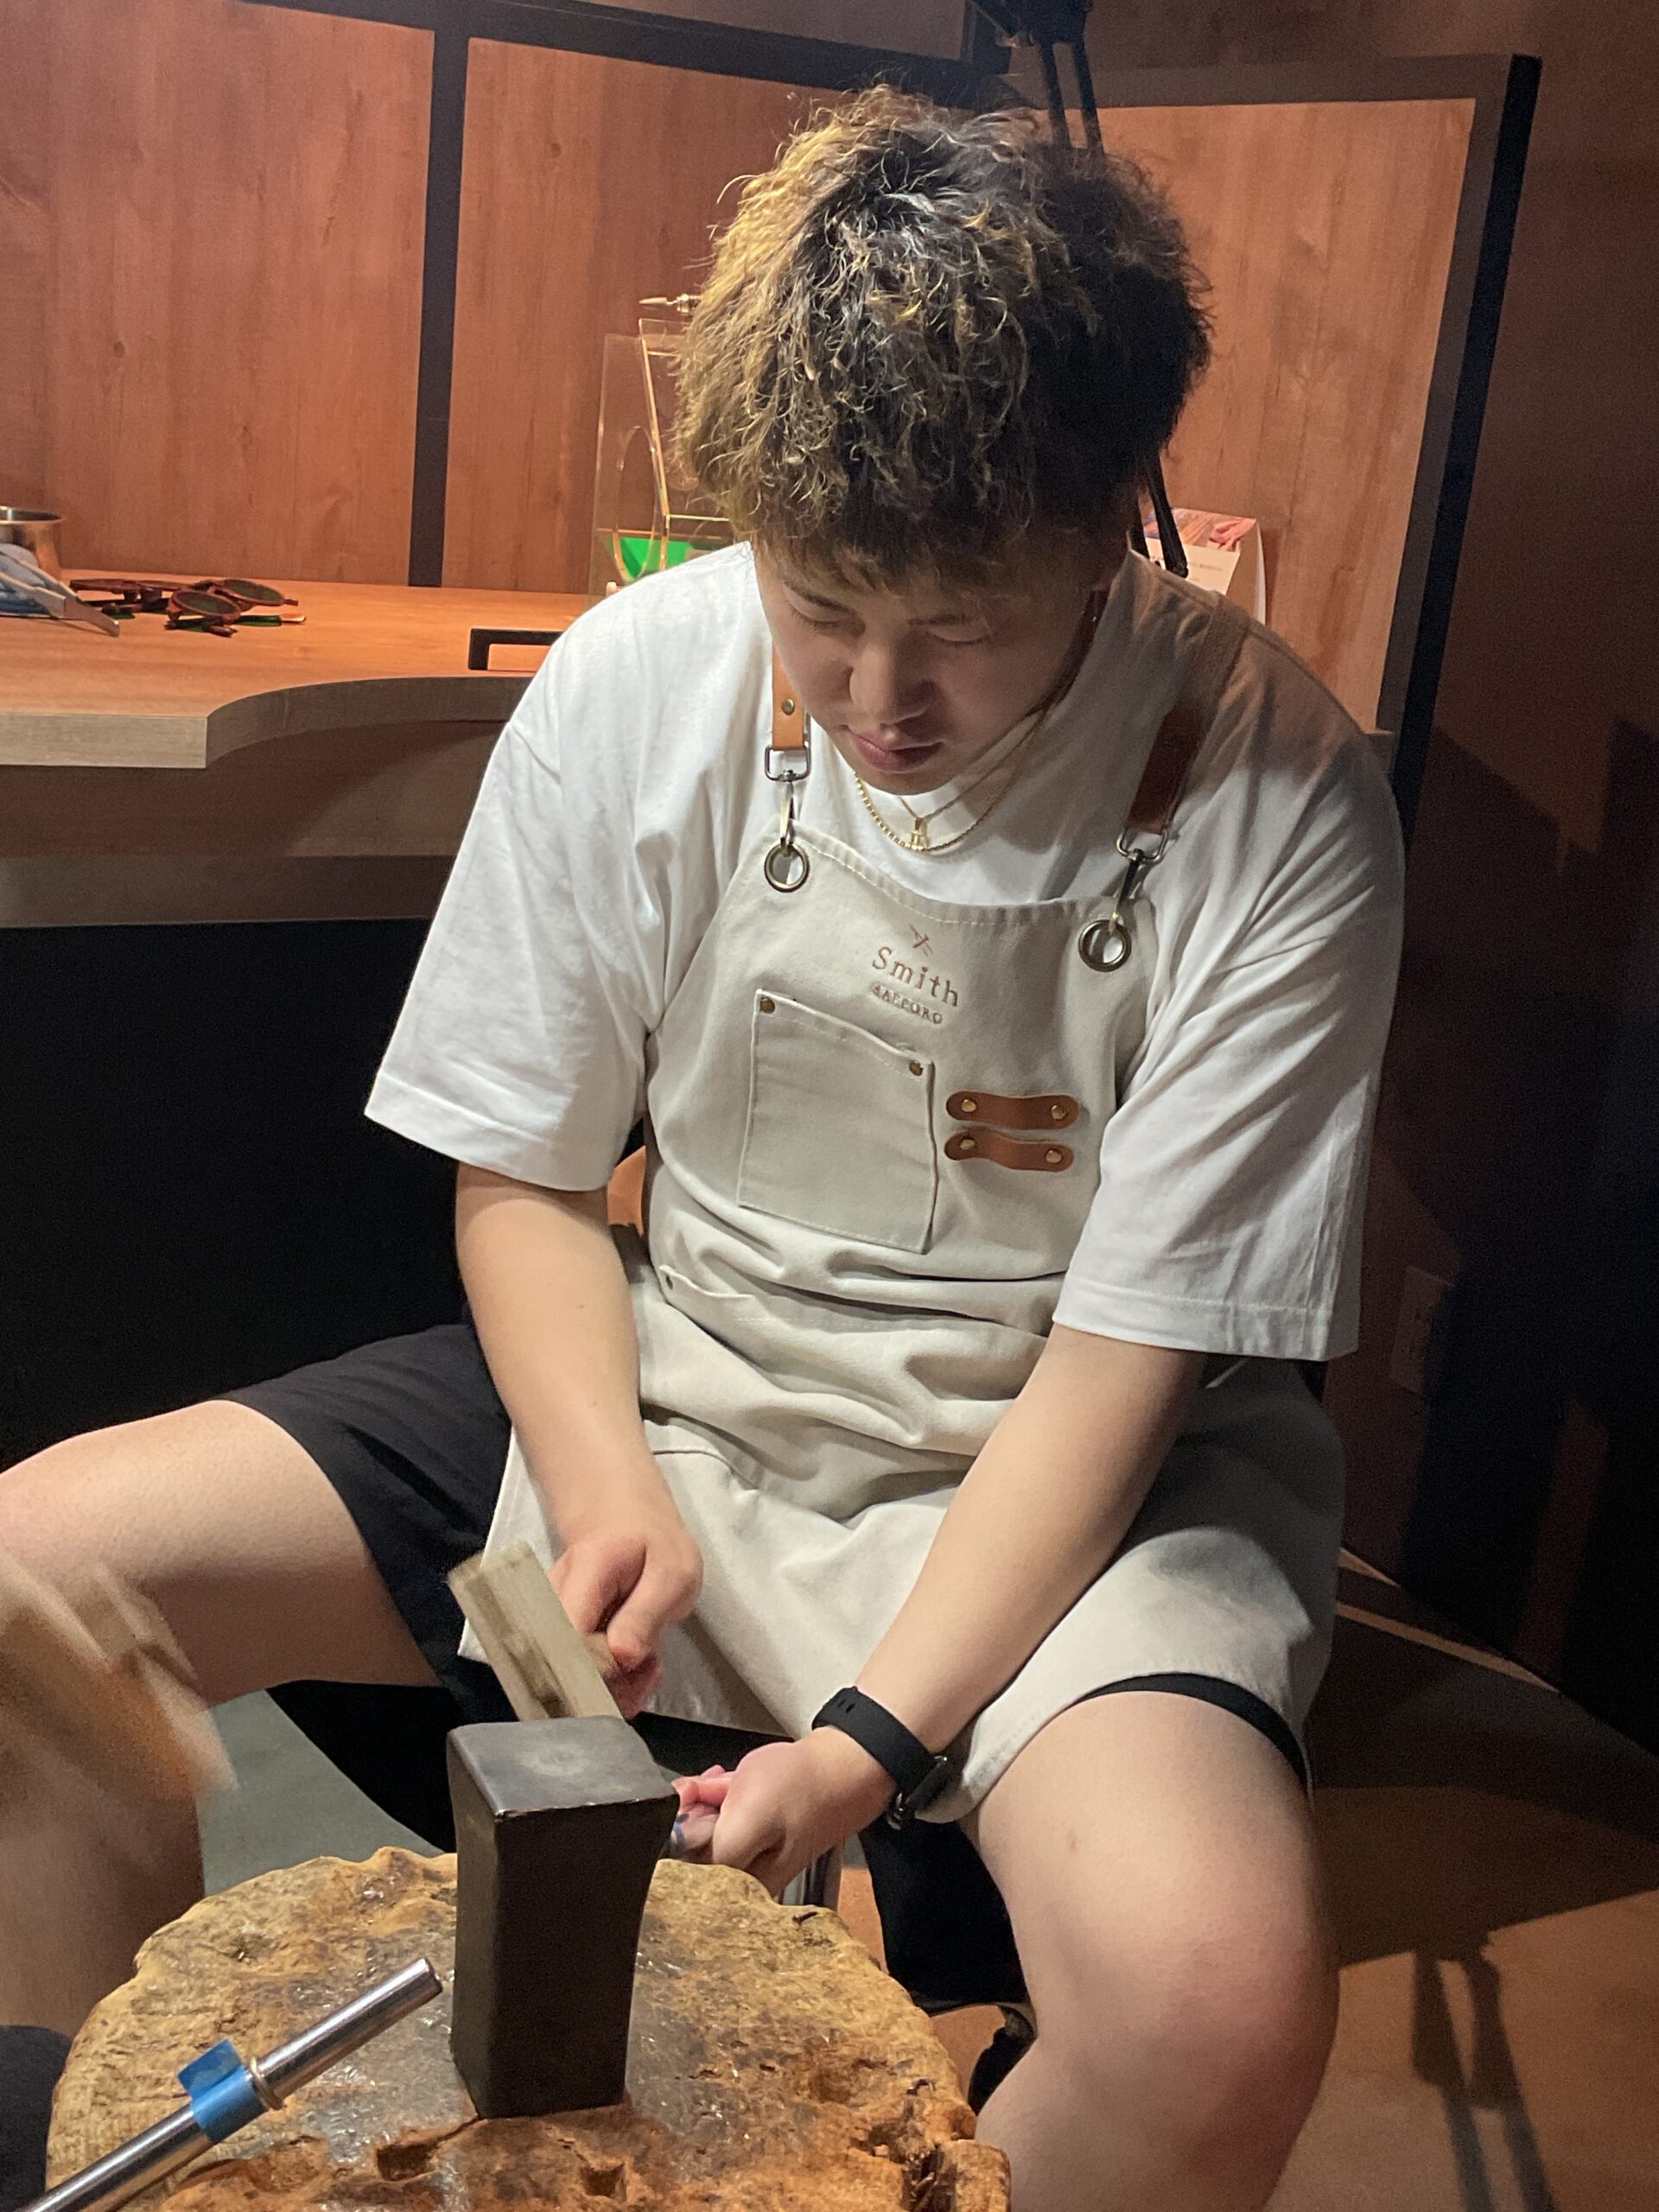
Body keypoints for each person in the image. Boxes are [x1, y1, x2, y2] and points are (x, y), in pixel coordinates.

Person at [0, 92, 1402, 2211]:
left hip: (1073, 1464)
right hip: (690, 1374)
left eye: (967, 621)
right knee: (35, 1580)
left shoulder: (1280, 791)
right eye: (822, 604)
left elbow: (1128, 1357)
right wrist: (602, 1478)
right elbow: (527, 1180)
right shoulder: (639, 682)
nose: (882, 698)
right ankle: (127, 2166)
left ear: (1112, 529)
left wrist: (868, 1740)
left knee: (1210, 1997)